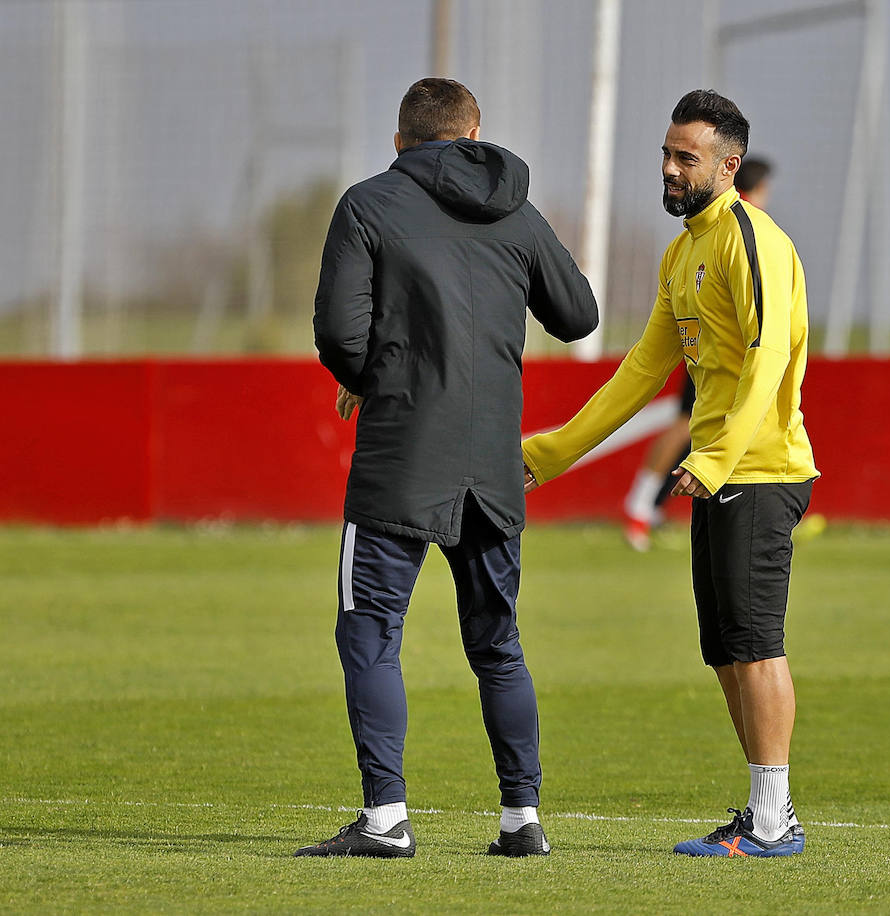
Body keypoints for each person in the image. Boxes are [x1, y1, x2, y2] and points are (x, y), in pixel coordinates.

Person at [298, 78, 598, 859]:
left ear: (400, 140)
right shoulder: (516, 209)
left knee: (371, 633)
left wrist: (373, 379)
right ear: (475, 134)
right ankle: (521, 820)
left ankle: (386, 819)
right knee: (498, 641)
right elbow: (579, 316)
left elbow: (337, 328)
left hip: (401, 451)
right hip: (494, 458)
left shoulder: (369, 203)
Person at [522, 90, 818, 857]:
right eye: (666, 153)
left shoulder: (748, 239)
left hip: (759, 470)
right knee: (724, 651)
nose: (670, 168)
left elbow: (769, 358)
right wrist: (558, 448)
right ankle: (763, 808)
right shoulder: (682, 250)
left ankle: (775, 819)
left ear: (728, 166)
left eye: (686, 158)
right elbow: (641, 370)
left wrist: (717, 456)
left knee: (755, 644)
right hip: (715, 474)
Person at [622, 157, 772, 551]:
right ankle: (640, 503)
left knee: (689, 423)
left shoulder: (729, 232)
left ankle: (646, 505)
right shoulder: (741, 228)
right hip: (713, 355)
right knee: (686, 422)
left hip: (720, 355)